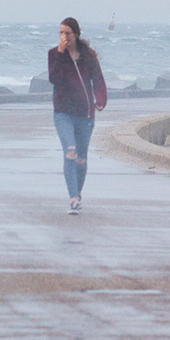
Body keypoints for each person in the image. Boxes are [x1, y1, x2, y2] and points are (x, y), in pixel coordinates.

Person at [46, 17, 108, 214]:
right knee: (70, 151)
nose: (64, 37)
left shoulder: (88, 55)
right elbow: (54, 78)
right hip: (63, 112)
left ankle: (78, 192)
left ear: (76, 34)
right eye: (61, 33)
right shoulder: (54, 54)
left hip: (85, 113)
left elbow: (98, 78)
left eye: (67, 33)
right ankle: (73, 199)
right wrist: (61, 53)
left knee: (81, 158)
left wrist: (100, 99)